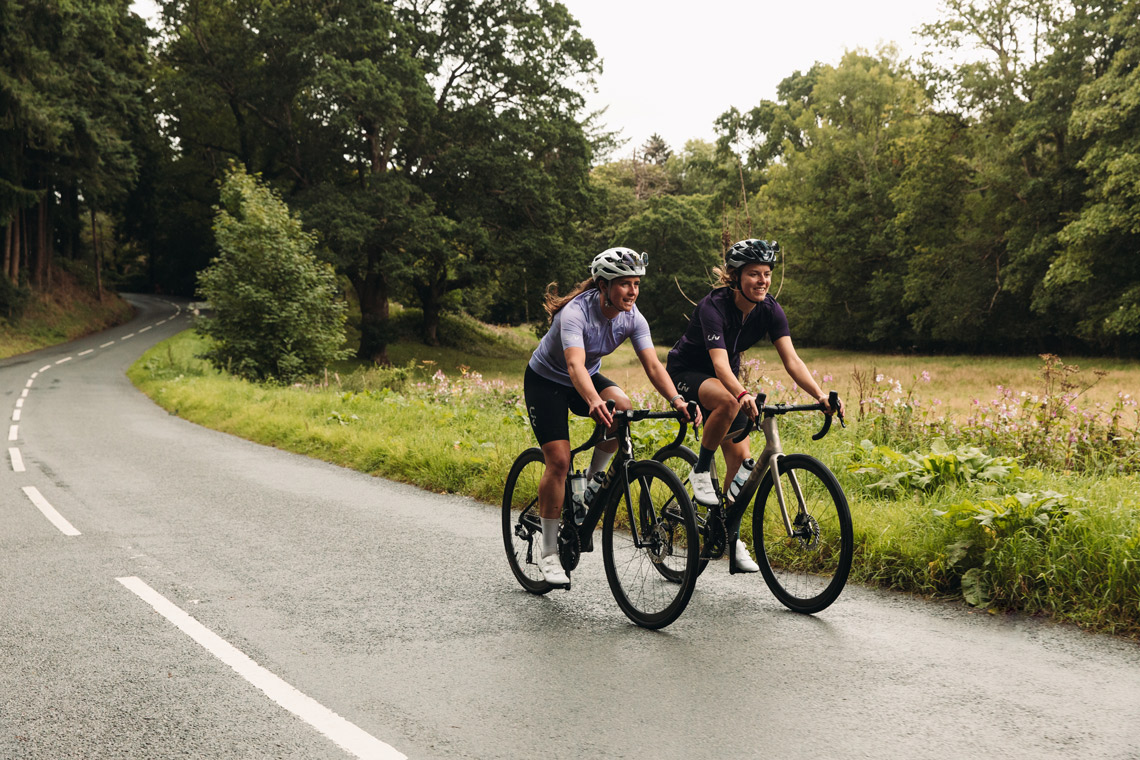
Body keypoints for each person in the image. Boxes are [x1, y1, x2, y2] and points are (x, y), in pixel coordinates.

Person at [525, 247, 701, 586]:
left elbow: (652, 365)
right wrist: (592, 400)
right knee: (559, 461)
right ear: (603, 286)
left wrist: (678, 399)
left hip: (584, 379)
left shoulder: (633, 317)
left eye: (636, 284)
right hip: (547, 381)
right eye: (624, 284)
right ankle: (548, 552)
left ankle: (592, 482)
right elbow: (574, 365)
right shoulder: (575, 313)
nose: (632, 292)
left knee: (621, 403)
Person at [665, 238, 839, 572]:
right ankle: (701, 468)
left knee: (742, 464)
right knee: (730, 402)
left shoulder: (770, 309)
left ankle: (729, 535)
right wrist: (743, 394)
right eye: (754, 274)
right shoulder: (713, 306)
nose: (762, 281)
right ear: (735, 277)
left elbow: (792, 360)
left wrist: (818, 394)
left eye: (767, 274)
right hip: (688, 372)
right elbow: (719, 367)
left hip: (725, 379)